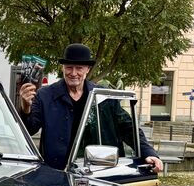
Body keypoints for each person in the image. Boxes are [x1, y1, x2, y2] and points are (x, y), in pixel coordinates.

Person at [17, 43, 163, 173]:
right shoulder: (45, 95)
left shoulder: (103, 96)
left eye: (79, 68)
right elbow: (29, 129)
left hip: (95, 173)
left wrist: (148, 153)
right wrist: (25, 107)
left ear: (87, 69)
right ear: (62, 68)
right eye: (69, 67)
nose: (73, 73)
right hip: (57, 174)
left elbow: (128, 127)